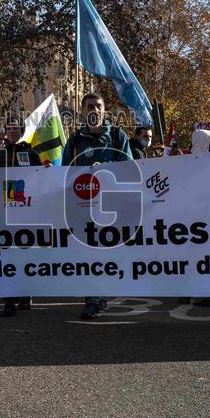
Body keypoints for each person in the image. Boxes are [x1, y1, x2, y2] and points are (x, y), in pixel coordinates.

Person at [63, 92, 134, 320]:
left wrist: (106, 167)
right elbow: (64, 171)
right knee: (88, 253)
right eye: (90, 106)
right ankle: (93, 297)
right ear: (83, 111)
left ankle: (99, 295)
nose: (94, 110)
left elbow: (130, 168)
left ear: (105, 110)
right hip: (83, 206)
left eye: (98, 106)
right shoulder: (75, 139)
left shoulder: (117, 135)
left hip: (112, 207)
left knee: (107, 252)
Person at [0, 115, 42, 317]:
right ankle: (8, 301)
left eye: (17, 129)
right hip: (2, 215)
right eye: (10, 129)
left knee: (24, 255)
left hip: (26, 214)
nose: (13, 132)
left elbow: (41, 178)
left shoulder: (31, 153)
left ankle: (25, 296)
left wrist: (47, 171)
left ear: (22, 131)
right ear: (6, 132)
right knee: (5, 256)